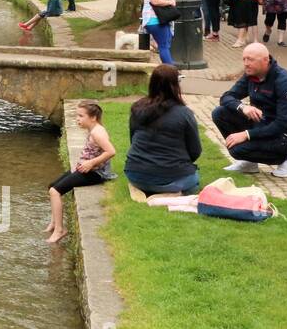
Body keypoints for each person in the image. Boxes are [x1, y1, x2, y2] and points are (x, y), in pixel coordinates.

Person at [213, 42, 287, 177]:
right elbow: (226, 97)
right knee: (219, 113)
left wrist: (246, 134)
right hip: (263, 123)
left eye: (250, 59)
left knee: (236, 150)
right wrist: (243, 107)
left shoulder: (285, 82)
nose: (245, 63)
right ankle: (250, 163)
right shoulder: (251, 75)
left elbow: (281, 125)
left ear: (265, 60)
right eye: (244, 59)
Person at [45, 99, 116, 243]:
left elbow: (111, 151)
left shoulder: (98, 133)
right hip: (85, 169)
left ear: (93, 117)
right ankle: (54, 223)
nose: (77, 119)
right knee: (52, 186)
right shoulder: (93, 129)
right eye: (77, 116)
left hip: (95, 174)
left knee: (55, 191)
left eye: (81, 116)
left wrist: (91, 163)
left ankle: (60, 230)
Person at [124, 65, 202, 195]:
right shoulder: (184, 113)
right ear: (175, 86)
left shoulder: (137, 108)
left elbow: (133, 140)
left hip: (136, 175)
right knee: (193, 182)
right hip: (172, 177)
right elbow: (195, 150)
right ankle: (169, 189)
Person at [141, 0, 177, 65]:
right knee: (164, 45)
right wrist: (170, 1)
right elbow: (154, 0)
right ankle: (171, 70)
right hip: (154, 19)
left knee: (166, 43)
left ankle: (169, 68)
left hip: (163, 18)